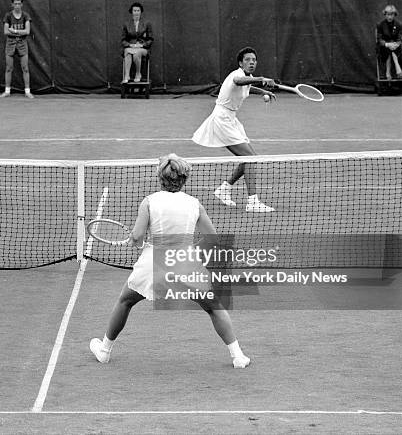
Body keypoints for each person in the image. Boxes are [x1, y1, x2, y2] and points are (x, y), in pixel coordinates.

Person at [89, 154, 250, 369]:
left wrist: (137, 242)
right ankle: (238, 356)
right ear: (184, 179)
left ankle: (105, 350)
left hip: (154, 264)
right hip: (186, 262)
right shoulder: (194, 204)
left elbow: (137, 238)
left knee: (125, 301)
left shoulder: (149, 202)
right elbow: (212, 239)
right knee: (214, 307)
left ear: (160, 178)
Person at [192, 47, 276, 213]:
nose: (251, 62)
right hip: (222, 119)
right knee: (251, 158)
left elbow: (247, 87)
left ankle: (224, 189)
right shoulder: (235, 75)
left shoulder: (248, 78)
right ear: (240, 63)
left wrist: (262, 91)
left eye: (254, 60)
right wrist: (262, 79)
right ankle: (253, 202)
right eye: (247, 60)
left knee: (248, 159)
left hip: (231, 119)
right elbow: (238, 82)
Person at [0, 0, 33, 98]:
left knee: (25, 68)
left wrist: (13, 31)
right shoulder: (8, 16)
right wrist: (20, 32)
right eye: (15, 4)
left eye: (19, 4)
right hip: (10, 43)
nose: (17, 6)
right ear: (12, 4)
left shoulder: (26, 16)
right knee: (9, 68)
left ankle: (27, 92)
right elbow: (5, 31)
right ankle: (7, 91)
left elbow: (27, 31)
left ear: (22, 5)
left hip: (22, 44)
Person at [121, 2, 153, 83]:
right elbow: (123, 40)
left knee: (137, 53)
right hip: (131, 47)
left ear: (141, 12)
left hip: (143, 49)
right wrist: (130, 45)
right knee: (127, 52)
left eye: (138, 10)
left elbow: (151, 39)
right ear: (131, 12)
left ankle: (138, 74)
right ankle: (127, 75)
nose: (136, 12)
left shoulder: (147, 23)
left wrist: (142, 45)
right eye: (134, 10)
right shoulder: (126, 24)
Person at [376, 4, 402, 80]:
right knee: (388, 49)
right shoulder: (380, 25)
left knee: (392, 49)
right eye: (388, 14)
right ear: (385, 14)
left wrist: (396, 44)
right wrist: (387, 44)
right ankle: (398, 69)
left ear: (395, 15)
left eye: (392, 15)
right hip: (384, 48)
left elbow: (400, 38)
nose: (390, 17)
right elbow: (379, 39)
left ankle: (388, 72)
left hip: (396, 48)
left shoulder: (399, 25)